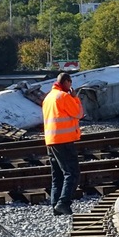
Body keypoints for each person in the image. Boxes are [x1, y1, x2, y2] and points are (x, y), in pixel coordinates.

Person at [42, 72, 84, 216]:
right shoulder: (64, 96)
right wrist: (76, 98)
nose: (71, 85)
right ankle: (63, 203)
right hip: (64, 140)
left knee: (57, 174)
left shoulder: (48, 98)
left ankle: (55, 205)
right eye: (70, 82)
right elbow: (78, 113)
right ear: (66, 82)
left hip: (51, 140)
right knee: (72, 173)